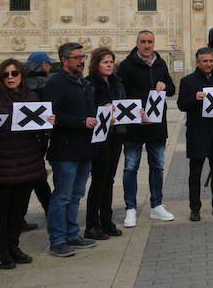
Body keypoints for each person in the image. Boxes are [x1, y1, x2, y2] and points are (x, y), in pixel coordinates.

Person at [0, 60, 47, 268]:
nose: (10, 77)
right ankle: (1, 252)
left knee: (19, 211)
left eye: (15, 73)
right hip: (0, 166)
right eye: (6, 74)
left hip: (27, 163)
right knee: (0, 213)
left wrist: (49, 123)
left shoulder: (32, 98)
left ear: (21, 76)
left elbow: (39, 133)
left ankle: (14, 246)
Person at [42, 42, 98, 257]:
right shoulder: (55, 84)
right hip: (65, 150)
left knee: (76, 194)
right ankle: (57, 239)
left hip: (83, 148)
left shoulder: (82, 82)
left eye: (83, 57)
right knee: (63, 195)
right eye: (77, 57)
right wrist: (81, 122)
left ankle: (72, 233)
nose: (82, 61)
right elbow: (52, 116)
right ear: (64, 60)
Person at [116, 30, 176, 227]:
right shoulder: (126, 66)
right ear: (137, 43)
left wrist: (164, 85)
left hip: (157, 125)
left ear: (154, 43)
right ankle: (130, 208)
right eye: (143, 42)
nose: (147, 45)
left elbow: (172, 88)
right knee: (130, 167)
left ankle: (157, 205)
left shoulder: (160, 63)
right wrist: (135, 114)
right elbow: (120, 94)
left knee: (157, 166)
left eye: (150, 41)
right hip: (135, 125)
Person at [178, 48, 213, 221]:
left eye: (211, 61)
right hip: (196, 133)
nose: (208, 64)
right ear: (198, 63)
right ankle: (195, 208)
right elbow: (181, 104)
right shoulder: (187, 81)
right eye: (205, 61)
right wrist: (194, 98)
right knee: (195, 174)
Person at [84, 48, 125, 240]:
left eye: (111, 62)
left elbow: (123, 104)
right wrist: (103, 109)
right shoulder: (90, 84)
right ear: (96, 64)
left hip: (116, 135)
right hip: (99, 137)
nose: (109, 65)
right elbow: (88, 109)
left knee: (109, 179)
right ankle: (92, 224)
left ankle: (107, 221)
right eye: (104, 62)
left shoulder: (117, 83)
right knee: (99, 179)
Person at [21, 51, 55, 232]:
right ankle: (51, 213)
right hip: (38, 138)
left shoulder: (21, 83)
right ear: (42, 65)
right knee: (37, 176)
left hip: (23, 139)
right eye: (48, 63)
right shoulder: (45, 83)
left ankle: (20, 218)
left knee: (31, 177)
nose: (50, 66)